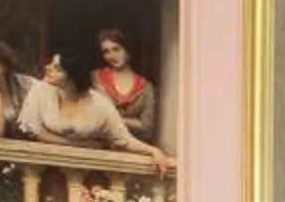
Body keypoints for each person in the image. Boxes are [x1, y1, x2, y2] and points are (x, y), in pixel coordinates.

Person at [18, 41, 172, 170]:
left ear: (72, 74)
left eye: (56, 67)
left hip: (83, 171)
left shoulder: (99, 104)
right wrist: (77, 144)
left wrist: (153, 151)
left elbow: (123, 139)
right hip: (45, 167)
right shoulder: (41, 91)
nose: (47, 68)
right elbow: (34, 131)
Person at [91, 30, 157, 140]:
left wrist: (111, 119)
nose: (112, 56)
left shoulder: (146, 87)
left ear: (128, 50)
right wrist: (133, 122)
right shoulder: (95, 78)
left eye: (116, 49)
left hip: (131, 149)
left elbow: (147, 128)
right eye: (106, 52)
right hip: (97, 146)